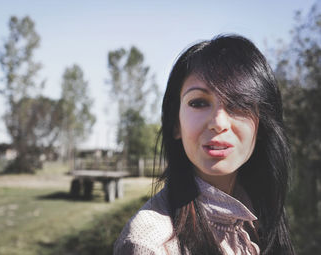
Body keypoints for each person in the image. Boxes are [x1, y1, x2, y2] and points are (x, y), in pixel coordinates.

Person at [114, 34, 295, 255]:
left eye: (239, 104)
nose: (218, 123)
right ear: (175, 125)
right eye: (198, 103)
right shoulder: (150, 245)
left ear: (263, 123)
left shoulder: (262, 218)